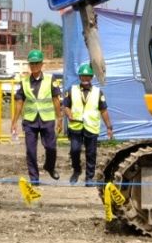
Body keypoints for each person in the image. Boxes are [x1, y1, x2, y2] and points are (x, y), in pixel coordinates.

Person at [10, 49, 60, 182]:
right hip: (30, 121)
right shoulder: (24, 81)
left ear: (42, 64)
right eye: (32, 63)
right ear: (29, 65)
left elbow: (56, 100)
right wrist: (14, 122)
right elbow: (19, 102)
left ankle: (50, 167)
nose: (34, 66)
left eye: (37, 63)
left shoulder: (50, 79)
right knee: (31, 151)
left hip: (47, 119)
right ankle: (34, 179)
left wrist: (59, 118)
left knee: (51, 147)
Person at [62, 62, 114, 186]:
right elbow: (66, 106)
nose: (85, 79)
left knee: (91, 154)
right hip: (76, 126)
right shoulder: (72, 90)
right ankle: (76, 170)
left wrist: (109, 127)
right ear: (80, 77)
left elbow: (103, 110)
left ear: (91, 78)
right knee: (74, 150)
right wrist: (69, 114)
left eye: (88, 76)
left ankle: (89, 178)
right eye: (83, 76)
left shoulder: (98, 92)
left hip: (91, 127)